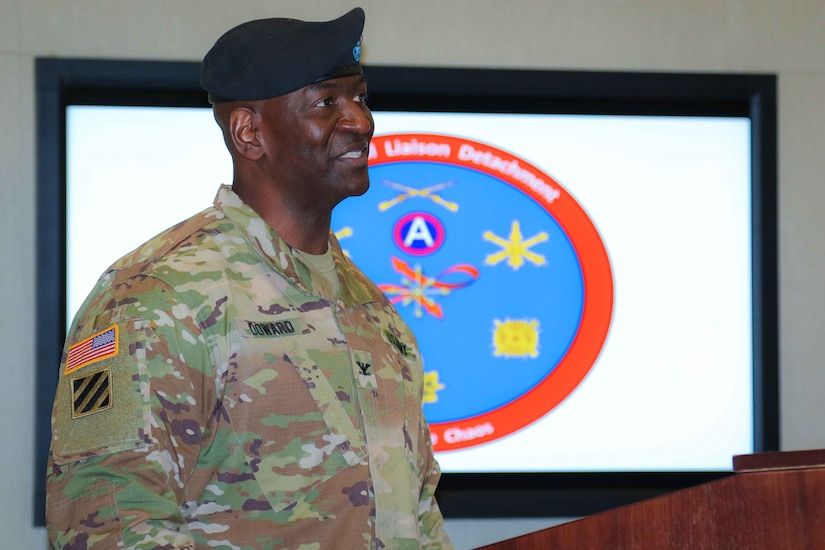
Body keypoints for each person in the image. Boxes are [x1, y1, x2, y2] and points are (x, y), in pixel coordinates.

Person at [45, 7, 454, 549]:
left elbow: (419, 514)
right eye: (327, 102)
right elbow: (108, 525)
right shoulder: (156, 294)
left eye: (362, 97)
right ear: (249, 133)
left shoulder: (372, 308)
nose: (361, 121)